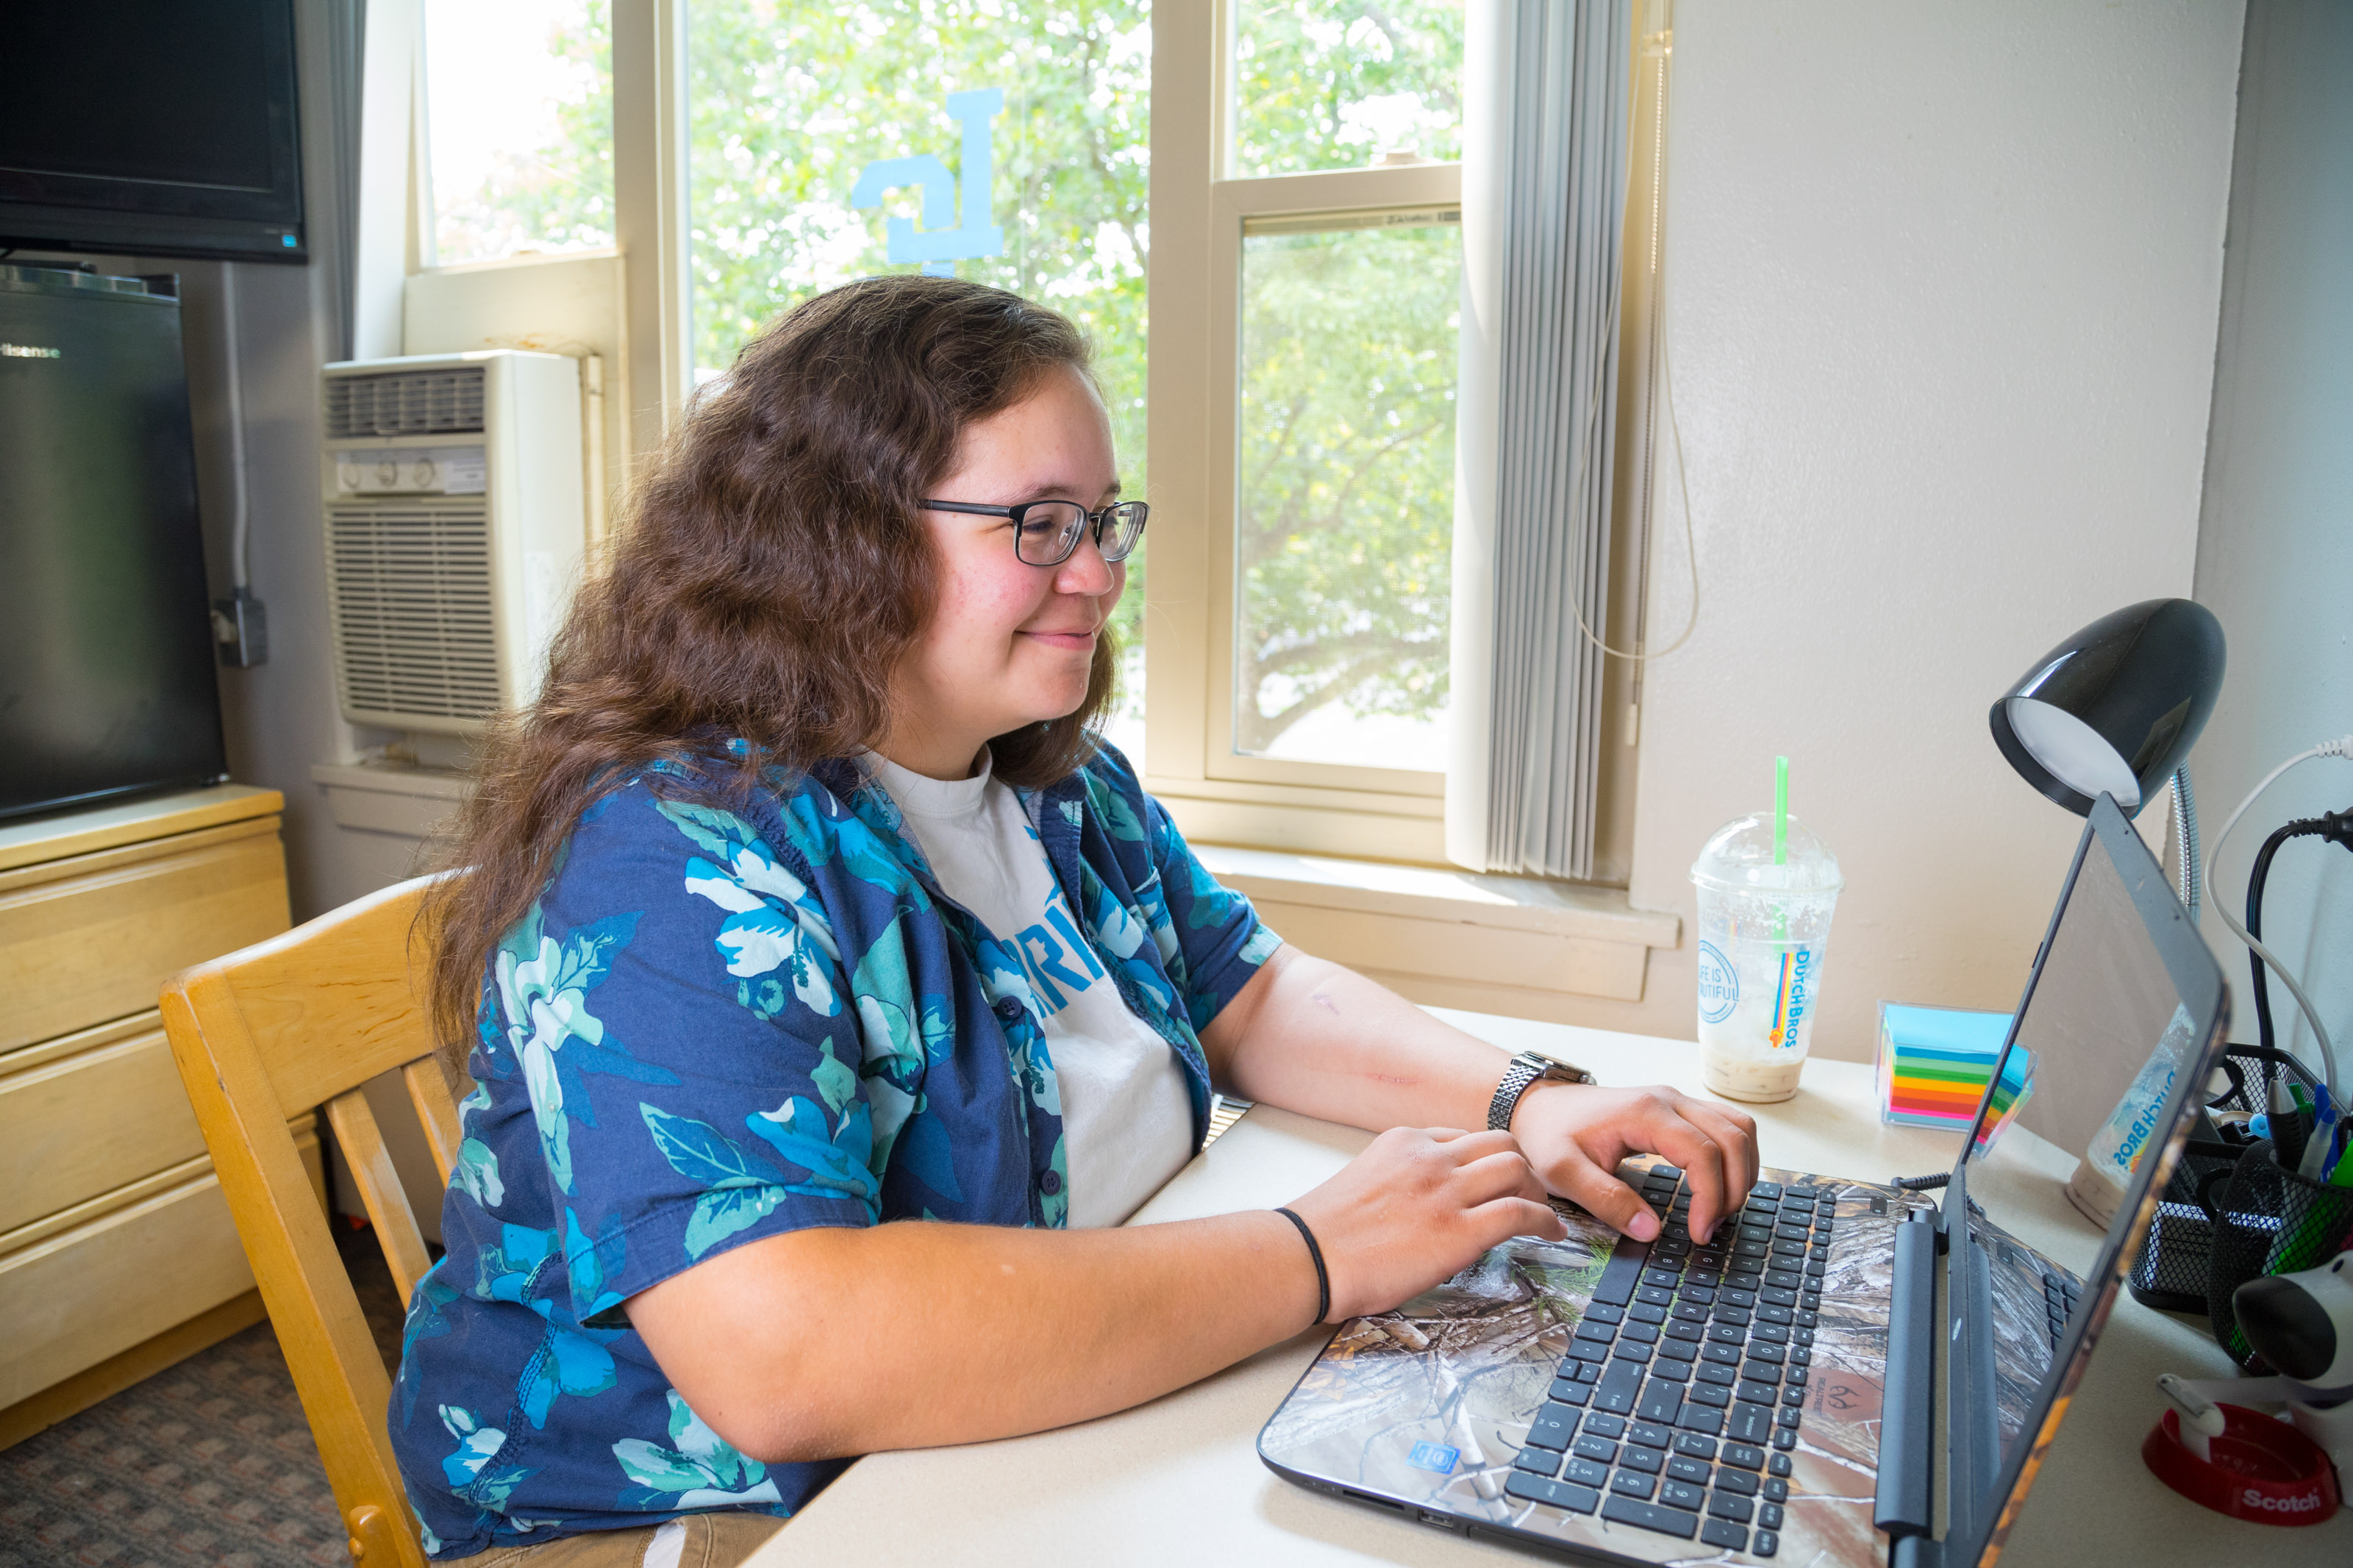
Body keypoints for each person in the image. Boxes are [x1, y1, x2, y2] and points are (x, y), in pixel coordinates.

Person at [393, 276, 1757, 1565]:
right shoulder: (671, 850)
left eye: (1104, 521)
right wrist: (1323, 1249)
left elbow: (1253, 992)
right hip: (704, 1511)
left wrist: (1529, 1097)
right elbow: (784, 1353)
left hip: (1017, 1429)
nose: (1099, 574)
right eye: (1040, 523)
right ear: (836, 537)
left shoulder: (1059, 777)